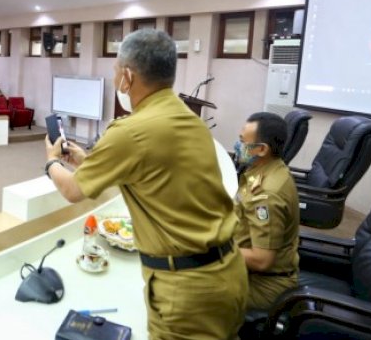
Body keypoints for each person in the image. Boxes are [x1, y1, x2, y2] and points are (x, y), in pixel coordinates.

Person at [44, 29, 248, 339]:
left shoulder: (130, 131)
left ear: (127, 76)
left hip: (187, 291)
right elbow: (151, 174)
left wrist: (50, 162)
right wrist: (88, 161)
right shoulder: (190, 119)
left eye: (115, 72)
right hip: (227, 274)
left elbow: (73, 191)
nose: (115, 82)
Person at [233, 112, 299, 311]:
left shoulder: (267, 194)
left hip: (264, 284)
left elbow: (261, 260)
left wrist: (214, 248)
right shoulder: (264, 170)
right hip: (250, 271)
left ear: (262, 149)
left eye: (242, 142)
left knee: (188, 290)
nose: (238, 146)